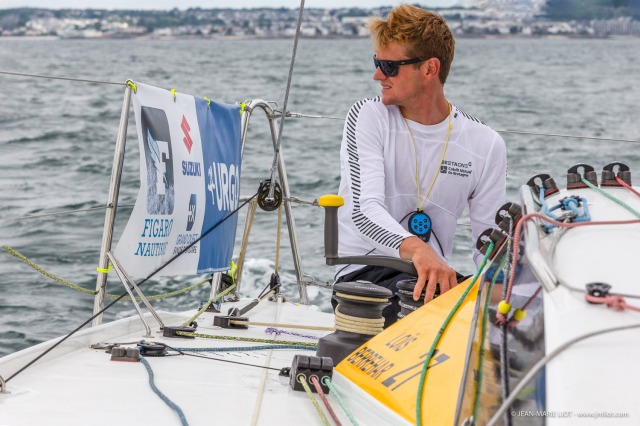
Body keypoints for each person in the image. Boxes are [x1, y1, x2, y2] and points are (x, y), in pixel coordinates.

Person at [334, 4, 507, 328]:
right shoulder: (368, 117)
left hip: (435, 277)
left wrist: (506, 289)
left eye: (388, 65)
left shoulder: (486, 144)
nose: (377, 75)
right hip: (367, 274)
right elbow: (363, 211)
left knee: (513, 313)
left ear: (429, 69)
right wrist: (418, 251)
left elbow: (488, 246)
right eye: (377, 62)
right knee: (442, 311)